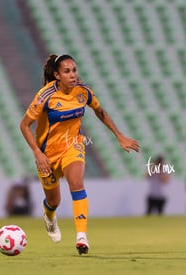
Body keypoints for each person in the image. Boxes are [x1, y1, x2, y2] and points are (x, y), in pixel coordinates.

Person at [19, 54, 140, 255]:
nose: (73, 75)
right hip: (47, 155)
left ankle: (81, 237)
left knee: (77, 183)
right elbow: (24, 125)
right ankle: (49, 216)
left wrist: (119, 135)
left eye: (74, 70)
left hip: (72, 146)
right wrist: (37, 153)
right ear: (57, 75)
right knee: (53, 201)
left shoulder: (83, 92)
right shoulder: (45, 96)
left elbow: (100, 111)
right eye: (67, 71)